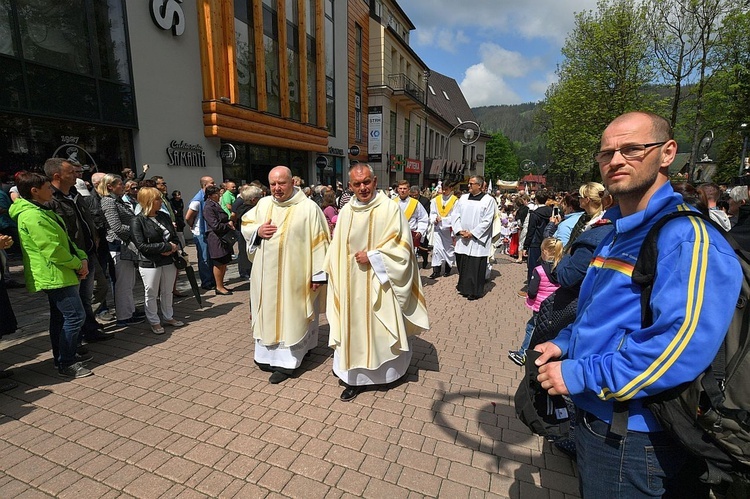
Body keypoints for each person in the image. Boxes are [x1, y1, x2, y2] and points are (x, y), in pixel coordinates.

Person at [534, 111, 742, 497]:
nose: (615, 160)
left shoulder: (686, 237)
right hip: (599, 420)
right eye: (606, 153)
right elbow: (599, 309)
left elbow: (676, 349)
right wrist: (565, 341)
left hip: (636, 438)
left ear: (667, 153)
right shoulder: (618, 229)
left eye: (632, 149)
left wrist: (579, 375)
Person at [324, 164, 430, 401]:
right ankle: (355, 380)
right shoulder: (347, 212)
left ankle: (388, 374)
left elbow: (403, 248)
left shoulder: (389, 209)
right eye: (357, 184)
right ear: (350, 186)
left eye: (367, 182)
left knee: (380, 329)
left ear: (375, 181)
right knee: (353, 330)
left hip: (380, 285)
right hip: (350, 286)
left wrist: (374, 257)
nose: (363, 188)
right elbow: (336, 247)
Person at [241, 166, 330, 384]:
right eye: (273, 184)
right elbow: (246, 223)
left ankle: (288, 362)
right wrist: (258, 232)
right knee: (268, 313)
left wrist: (318, 275)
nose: (277, 188)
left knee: (293, 314)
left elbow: (321, 242)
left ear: (292, 183)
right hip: (266, 276)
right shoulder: (263, 204)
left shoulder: (309, 208)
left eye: (281, 183)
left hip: (296, 276)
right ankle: (266, 356)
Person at [10, 172, 93, 378]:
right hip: (54, 273)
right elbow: (52, 249)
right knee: (75, 316)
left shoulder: (42, 210)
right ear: (34, 191)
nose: (51, 192)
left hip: (61, 271)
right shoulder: (32, 215)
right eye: (47, 188)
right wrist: (77, 263)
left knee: (60, 317)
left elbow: (65, 239)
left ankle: (64, 357)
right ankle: (67, 362)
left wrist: (81, 257)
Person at [44, 159, 112, 343]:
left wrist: (95, 238)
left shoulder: (76, 194)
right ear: (57, 176)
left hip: (89, 254)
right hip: (72, 259)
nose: (77, 175)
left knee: (91, 294)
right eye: (72, 172)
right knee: (74, 303)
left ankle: (89, 328)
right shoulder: (50, 200)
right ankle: (73, 342)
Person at [130, 187, 185, 335]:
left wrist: (172, 247)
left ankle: (168, 316)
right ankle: (154, 321)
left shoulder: (163, 216)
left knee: (167, 291)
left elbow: (174, 235)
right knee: (151, 292)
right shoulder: (137, 220)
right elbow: (141, 245)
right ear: (148, 201)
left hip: (169, 259)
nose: (161, 202)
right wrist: (165, 247)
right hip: (150, 262)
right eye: (158, 199)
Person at [508, 237, 563, 366]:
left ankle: (523, 354)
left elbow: (532, 291)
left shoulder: (539, 270)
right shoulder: (562, 269)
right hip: (555, 305)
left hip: (540, 306)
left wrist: (530, 297)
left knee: (531, 328)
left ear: (544, 251)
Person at [98, 174, 144, 327]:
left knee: (129, 282)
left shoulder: (117, 200)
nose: (122, 186)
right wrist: (136, 230)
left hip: (125, 245)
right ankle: (124, 317)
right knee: (123, 283)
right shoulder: (108, 201)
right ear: (110, 186)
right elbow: (116, 227)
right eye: (119, 184)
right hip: (118, 246)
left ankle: (130, 311)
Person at [452, 175, 496, 300]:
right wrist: (460, 231)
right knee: (462, 263)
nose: (469, 186)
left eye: (472, 184)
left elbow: (487, 220)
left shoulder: (488, 200)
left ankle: (475, 291)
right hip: (462, 238)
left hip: (477, 240)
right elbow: (455, 215)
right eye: (469, 183)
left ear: (480, 186)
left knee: (475, 266)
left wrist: (472, 233)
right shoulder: (463, 198)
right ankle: (464, 288)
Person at [185, 176, 217, 290]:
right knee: (204, 258)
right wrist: (193, 226)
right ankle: (206, 282)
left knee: (210, 257)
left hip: (208, 231)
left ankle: (212, 280)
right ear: (205, 185)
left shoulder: (207, 197)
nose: (214, 184)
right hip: (201, 232)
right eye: (212, 183)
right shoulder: (197, 200)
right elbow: (188, 217)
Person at [202, 185, 234, 295]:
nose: (219, 195)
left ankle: (221, 285)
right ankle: (219, 287)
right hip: (216, 237)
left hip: (222, 237)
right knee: (219, 262)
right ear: (210, 195)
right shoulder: (208, 207)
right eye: (216, 193)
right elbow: (215, 225)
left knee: (224, 261)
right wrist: (228, 225)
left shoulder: (215, 204)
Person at [428, 180, 458, 278]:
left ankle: (448, 269)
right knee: (437, 250)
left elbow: (456, 216)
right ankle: (436, 271)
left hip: (448, 230)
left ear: (451, 189)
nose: (444, 191)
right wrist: (434, 219)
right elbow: (432, 213)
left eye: (446, 189)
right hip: (438, 229)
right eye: (442, 189)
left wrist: (444, 219)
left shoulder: (455, 201)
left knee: (448, 250)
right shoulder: (435, 200)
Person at [394, 180, 428, 266]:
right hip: (396, 235)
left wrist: (420, 231)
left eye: (405, 188)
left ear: (408, 190)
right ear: (397, 189)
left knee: (409, 260)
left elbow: (423, 218)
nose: (402, 190)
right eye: (400, 188)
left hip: (410, 235)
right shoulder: (392, 202)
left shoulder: (415, 203)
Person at [232, 184, 262, 280]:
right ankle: (246, 272)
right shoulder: (250, 210)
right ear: (254, 200)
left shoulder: (242, 207)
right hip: (249, 238)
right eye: (259, 197)